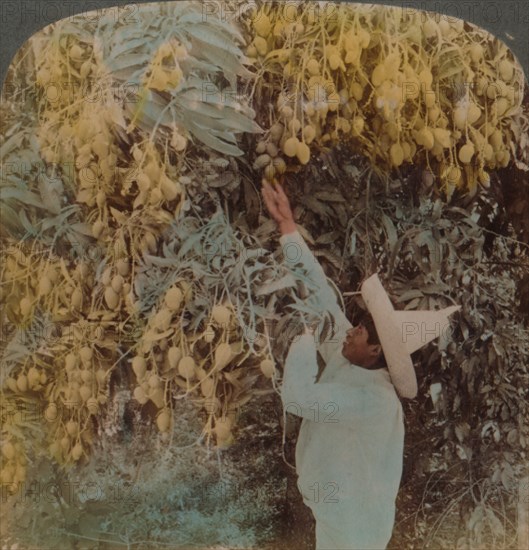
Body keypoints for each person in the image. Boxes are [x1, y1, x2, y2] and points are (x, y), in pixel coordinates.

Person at [261, 178, 459, 550]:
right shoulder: (352, 355)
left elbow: (300, 398)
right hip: (336, 520)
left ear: (374, 353)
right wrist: (288, 227)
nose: (350, 332)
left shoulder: (375, 402)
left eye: (360, 333)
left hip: (357, 533)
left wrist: (303, 336)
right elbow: (320, 293)